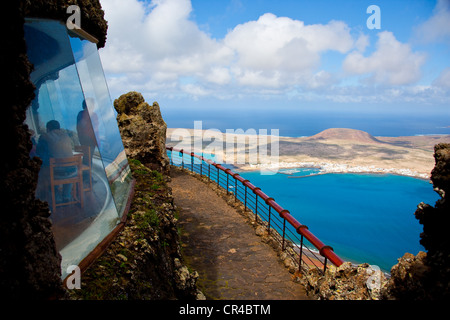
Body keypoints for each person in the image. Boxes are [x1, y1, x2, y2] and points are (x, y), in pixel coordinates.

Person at [36, 120, 76, 204]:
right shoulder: (66, 135)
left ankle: (57, 197)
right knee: (67, 169)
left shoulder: (44, 136)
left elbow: (39, 152)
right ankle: (66, 195)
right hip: (73, 171)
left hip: (58, 172)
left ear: (48, 128)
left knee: (48, 170)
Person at [76, 99, 98, 166]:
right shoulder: (93, 115)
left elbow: (79, 128)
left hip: (84, 140)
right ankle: (87, 174)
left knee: (87, 158)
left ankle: (87, 173)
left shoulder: (80, 114)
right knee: (88, 159)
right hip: (90, 141)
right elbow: (96, 129)